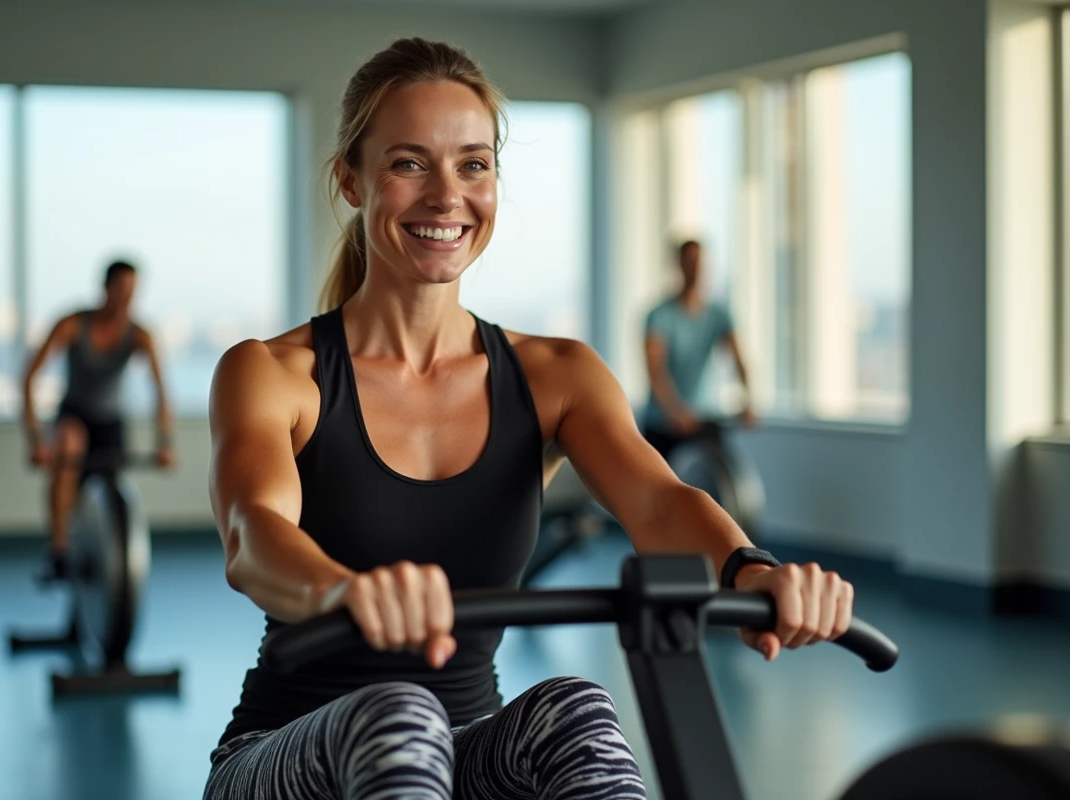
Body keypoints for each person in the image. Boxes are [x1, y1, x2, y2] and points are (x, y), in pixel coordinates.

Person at [206, 37, 855, 800]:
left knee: (575, 710)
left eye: (473, 164)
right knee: (398, 711)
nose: (447, 196)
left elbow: (659, 499)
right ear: (352, 181)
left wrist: (752, 567)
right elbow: (255, 535)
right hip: (282, 755)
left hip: (461, 752)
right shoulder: (274, 373)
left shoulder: (556, 375)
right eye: (410, 163)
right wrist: (342, 593)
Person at [22, 260, 176, 581]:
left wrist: (165, 443)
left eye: (132, 293)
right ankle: (59, 551)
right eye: (120, 291)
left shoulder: (139, 335)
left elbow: (160, 391)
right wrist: (36, 440)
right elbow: (30, 377)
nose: (126, 300)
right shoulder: (72, 324)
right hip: (74, 415)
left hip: (111, 424)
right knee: (69, 442)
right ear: (105, 289)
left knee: (110, 495)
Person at [642, 239, 755, 460]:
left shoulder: (719, 315)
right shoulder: (660, 316)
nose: (696, 268)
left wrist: (747, 400)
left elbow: (738, 360)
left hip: (703, 421)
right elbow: (655, 370)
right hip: (664, 425)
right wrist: (675, 411)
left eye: (700, 262)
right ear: (679, 265)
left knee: (720, 483)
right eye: (690, 261)